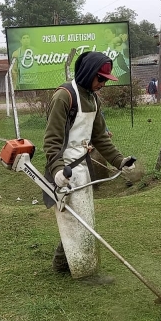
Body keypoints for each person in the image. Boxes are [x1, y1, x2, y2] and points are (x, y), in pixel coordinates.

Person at [44, 51, 136, 285]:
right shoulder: (64, 97)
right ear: (87, 74)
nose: (103, 84)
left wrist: (119, 161)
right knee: (76, 221)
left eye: (106, 79)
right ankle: (84, 273)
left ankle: (62, 263)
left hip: (83, 169)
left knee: (83, 220)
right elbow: (52, 140)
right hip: (64, 171)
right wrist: (57, 171)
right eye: (100, 78)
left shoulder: (94, 99)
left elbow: (100, 138)